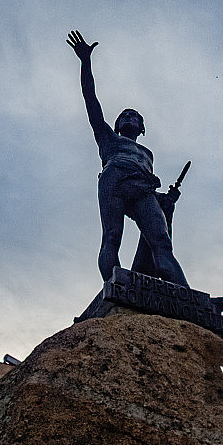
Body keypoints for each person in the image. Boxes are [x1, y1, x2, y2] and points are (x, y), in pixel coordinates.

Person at [67, 30, 189, 286]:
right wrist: (85, 63)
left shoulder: (148, 154)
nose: (130, 117)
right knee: (112, 236)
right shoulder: (108, 138)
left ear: (143, 129)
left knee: (161, 240)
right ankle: (116, 285)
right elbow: (91, 101)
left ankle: (185, 293)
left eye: (136, 116)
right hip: (114, 179)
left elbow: (152, 194)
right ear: (117, 123)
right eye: (125, 115)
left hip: (143, 188)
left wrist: (166, 200)